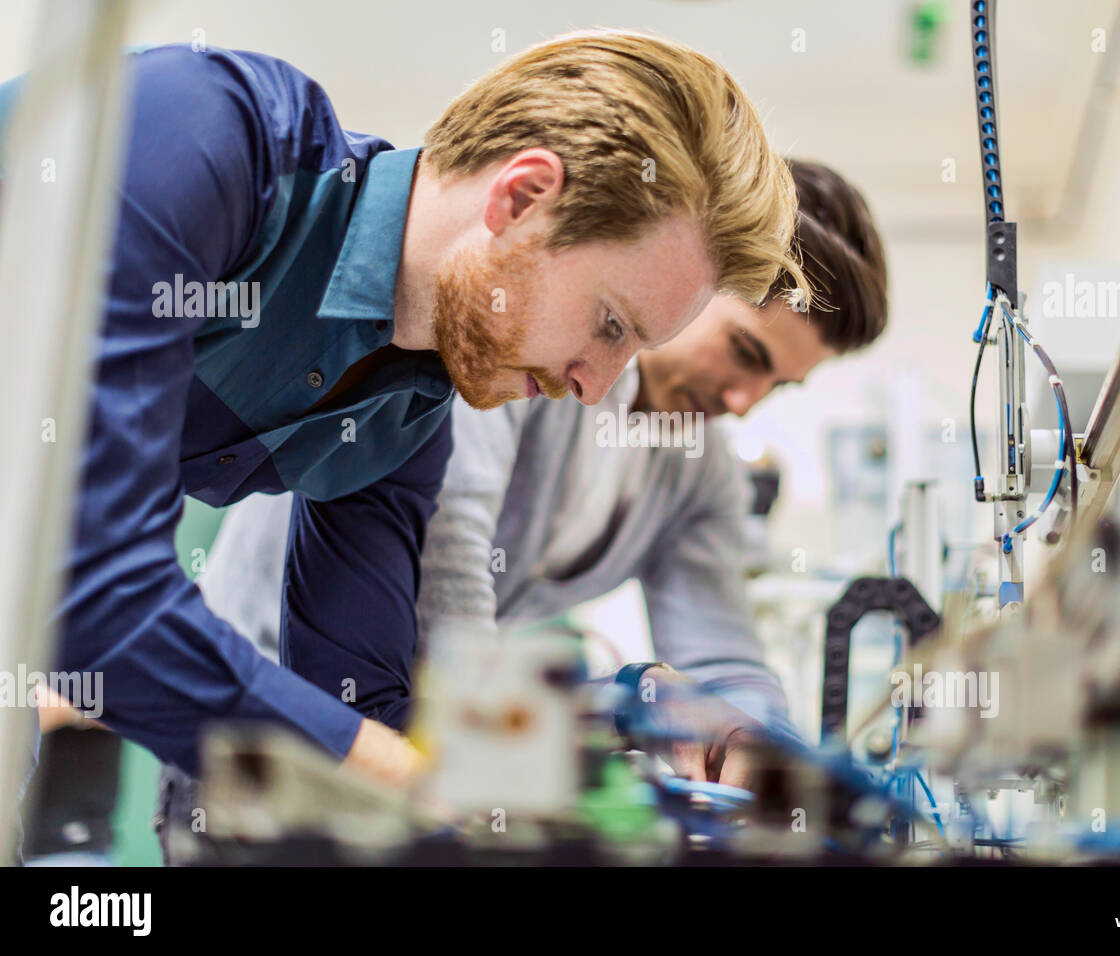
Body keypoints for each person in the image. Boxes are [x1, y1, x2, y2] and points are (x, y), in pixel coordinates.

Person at [11, 31, 806, 790]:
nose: (594, 387)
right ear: (523, 197)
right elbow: (88, 586)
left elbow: (367, 709)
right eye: (608, 326)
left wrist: (631, 710)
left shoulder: (407, 412)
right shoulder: (204, 138)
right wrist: (404, 780)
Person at [185, 160, 886, 794]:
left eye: (779, 386)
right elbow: (446, 611)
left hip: (424, 737)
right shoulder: (532, 364)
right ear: (693, 285)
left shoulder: (699, 470)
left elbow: (724, 656)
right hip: (264, 726)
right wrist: (631, 700)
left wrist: (777, 766)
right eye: (745, 353)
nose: (744, 401)